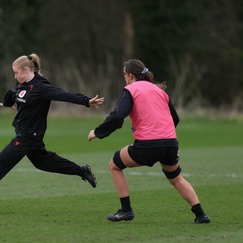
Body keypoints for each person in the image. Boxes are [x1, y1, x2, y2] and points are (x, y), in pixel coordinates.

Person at [0, 53, 105, 210]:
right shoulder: (22, 84)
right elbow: (15, 95)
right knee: (43, 162)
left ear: (25, 70)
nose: (15, 76)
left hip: (28, 138)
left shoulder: (41, 88)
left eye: (16, 72)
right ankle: (82, 171)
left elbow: (64, 95)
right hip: (27, 137)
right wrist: (8, 101)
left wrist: (86, 101)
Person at [87, 59, 210, 224]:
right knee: (176, 178)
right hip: (170, 144)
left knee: (114, 165)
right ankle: (201, 215)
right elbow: (175, 118)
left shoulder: (131, 89)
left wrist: (98, 132)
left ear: (130, 75)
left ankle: (126, 211)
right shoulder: (160, 91)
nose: (124, 78)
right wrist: (167, 138)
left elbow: (117, 117)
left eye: (124, 74)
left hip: (148, 146)